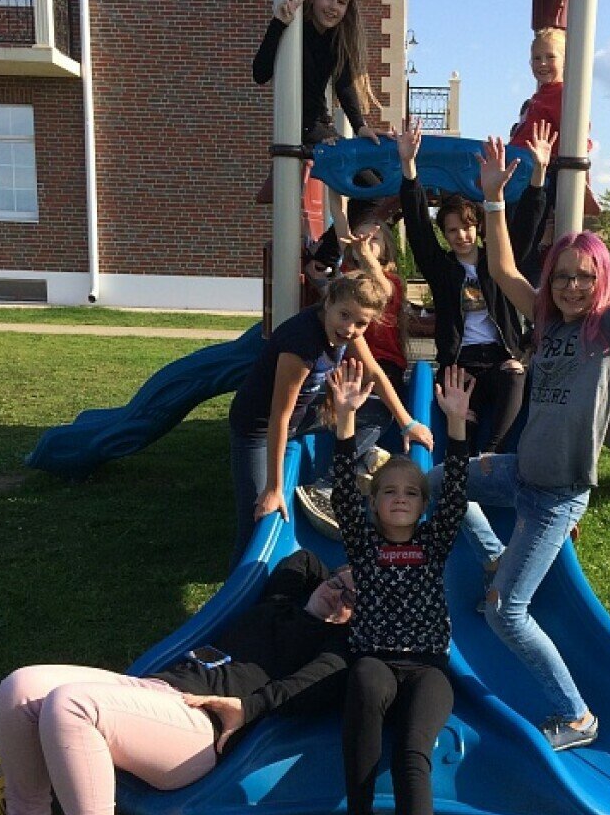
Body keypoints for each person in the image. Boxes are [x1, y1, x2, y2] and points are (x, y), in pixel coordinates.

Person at [431, 124, 610, 753]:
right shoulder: (547, 324)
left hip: (556, 499)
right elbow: (501, 268)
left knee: (505, 612)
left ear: (600, 279)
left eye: (583, 276)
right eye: (562, 278)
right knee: (442, 480)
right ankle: (494, 553)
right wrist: (493, 198)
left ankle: (576, 714)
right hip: (520, 471)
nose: (572, 287)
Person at [0, 551, 356, 815]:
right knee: (19, 688)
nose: (337, 595)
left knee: (71, 706)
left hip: (196, 725)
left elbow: (300, 691)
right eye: (337, 583)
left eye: (352, 599)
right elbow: (302, 558)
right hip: (157, 689)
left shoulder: (335, 650)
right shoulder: (280, 600)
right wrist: (350, 573)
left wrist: (248, 708)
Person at [328, 359, 472, 815]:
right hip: (378, 661)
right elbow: (341, 491)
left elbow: (457, 492)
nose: (400, 499)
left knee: (414, 752)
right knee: (362, 682)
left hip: (428, 669)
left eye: (411, 493)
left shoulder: (433, 543)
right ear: (376, 502)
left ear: (421, 506)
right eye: (389, 492)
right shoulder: (364, 545)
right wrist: (344, 423)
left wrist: (456, 428)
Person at [228, 271, 432, 570]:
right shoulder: (302, 345)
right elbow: (279, 417)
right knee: (257, 518)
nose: (350, 328)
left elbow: (375, 373)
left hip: (304, 415)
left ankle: (336, 476)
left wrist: (408, 424)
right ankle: (239, 585)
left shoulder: (348, 333)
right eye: (344, 315)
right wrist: (273, 487)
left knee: (377, 412)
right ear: (328, 303)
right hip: (258, 429)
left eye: (361, 323)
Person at [398, 119, 547, 454]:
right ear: (445, 235)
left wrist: (539, 173)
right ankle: (461, 464)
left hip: (499, 358)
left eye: (466, 227)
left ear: (478, 227)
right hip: (459, 363)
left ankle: (492, 454)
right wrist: (408, 167)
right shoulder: (443, 269)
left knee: (515, 375)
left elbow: (527, 225)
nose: (461, 236)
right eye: (452, 230)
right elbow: (418, 227)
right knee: (459, 414)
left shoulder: (497, 264)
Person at [296, 203, 409, 536]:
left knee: (379, 412)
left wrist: (364, 254)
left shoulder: (391, 281)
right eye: (360, 238)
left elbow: (380, 289)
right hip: (347, 362)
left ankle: (331, 480)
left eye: (374, 239)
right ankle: (364, 458)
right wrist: (335, 189)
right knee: (337, 411)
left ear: (386, 248)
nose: (365, 242)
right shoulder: (345, 277)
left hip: (384, 364)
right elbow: (335, 296)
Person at [253, 0, 381, 224]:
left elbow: (344, 85)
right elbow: (260, 73)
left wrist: (360, 126)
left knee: (377, 184)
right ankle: (330, 247)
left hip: (320, 126)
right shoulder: (294, 29)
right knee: (373, 190)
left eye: (341, 2)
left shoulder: (337, 40)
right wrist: (279, 23)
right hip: (302, 127)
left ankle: (336, 242)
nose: (333, 7)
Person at [509, 27, 600, 282]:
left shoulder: (563, 95)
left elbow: (579, 135)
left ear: (566, 61)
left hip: (539, 176)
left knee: (529, 240)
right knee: (517, 237)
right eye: (536, 58)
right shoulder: (539, 97)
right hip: (522, 174)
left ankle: (533, 285)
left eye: (550, 57)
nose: (542, 63)